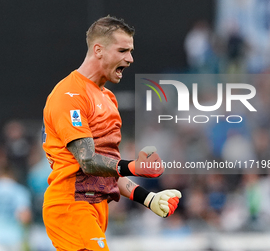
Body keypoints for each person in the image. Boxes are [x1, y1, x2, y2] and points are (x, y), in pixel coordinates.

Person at [42, 16, 182, 251]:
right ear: (99, 50)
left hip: (95, 207)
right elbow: (87, 161)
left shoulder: (108, 98)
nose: (130, 58)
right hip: (71, 205)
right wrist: (134, 167)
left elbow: (109, 169)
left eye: (131, 51)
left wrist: (147, 198)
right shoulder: (70, 94)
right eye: (123, 50)